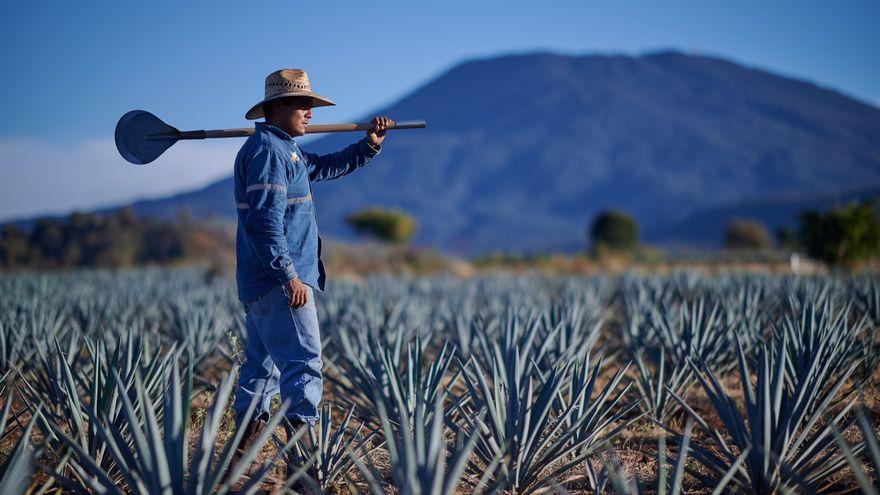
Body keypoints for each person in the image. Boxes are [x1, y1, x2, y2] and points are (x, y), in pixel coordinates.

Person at [229, 68, 390, 484]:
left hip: (262, 285)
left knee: (260, 374)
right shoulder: (269, 153)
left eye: (312, 106)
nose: (311, 114)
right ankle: (304, 475)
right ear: (277, 108)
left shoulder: (285, 151)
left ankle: (235, 472)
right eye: (303, 105)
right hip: (280, 284)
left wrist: (368, 146)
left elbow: (325, 166)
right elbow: (264, 222)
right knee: (304, 367)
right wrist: (289, 277)